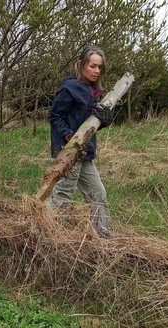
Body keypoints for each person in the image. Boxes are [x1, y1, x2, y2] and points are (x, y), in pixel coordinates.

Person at [48, 45, 113, 237]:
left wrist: (104, 121)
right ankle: (47, 233)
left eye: (99, 67)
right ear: (81, 65)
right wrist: (69, 136)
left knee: (97, 194)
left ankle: (104, 236)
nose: (96, 71)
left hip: (85, 152)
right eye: (92, 66)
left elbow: (87, 122)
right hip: (68, 150)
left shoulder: (92, 90)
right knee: (63, 195)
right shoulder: (70, 88)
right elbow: (55, 116)